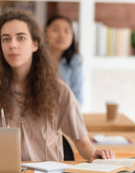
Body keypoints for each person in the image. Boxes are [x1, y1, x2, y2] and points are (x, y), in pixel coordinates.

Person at [0, 11, 114, 161]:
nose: (13, 45)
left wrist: (96, 155)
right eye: (6, 39)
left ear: (35, 44)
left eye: (20, 38)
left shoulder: (59, 91)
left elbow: (82, 142)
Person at [45, 15, 83, 105]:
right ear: (45, 34)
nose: (61, 35)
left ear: (72, 37)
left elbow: (78, 97)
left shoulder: (75, 61)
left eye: (66, 31)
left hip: (66, 113)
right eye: (55, 30)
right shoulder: (35, 58)